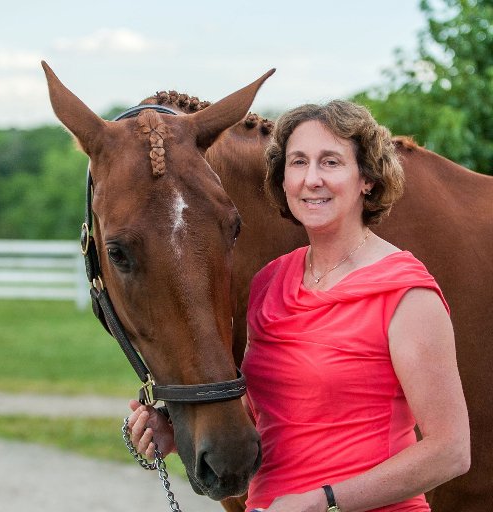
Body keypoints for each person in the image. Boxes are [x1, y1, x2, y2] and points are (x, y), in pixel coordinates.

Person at [127, 100, 470, 512]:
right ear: (282, 178)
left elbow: (450, 450)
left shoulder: (406, 293)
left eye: (330, 162)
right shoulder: (271, 281)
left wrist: (324, 501)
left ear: (367, 179)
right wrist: (175, 434)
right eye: (298, 162)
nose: (312, 179)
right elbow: (272, 420)